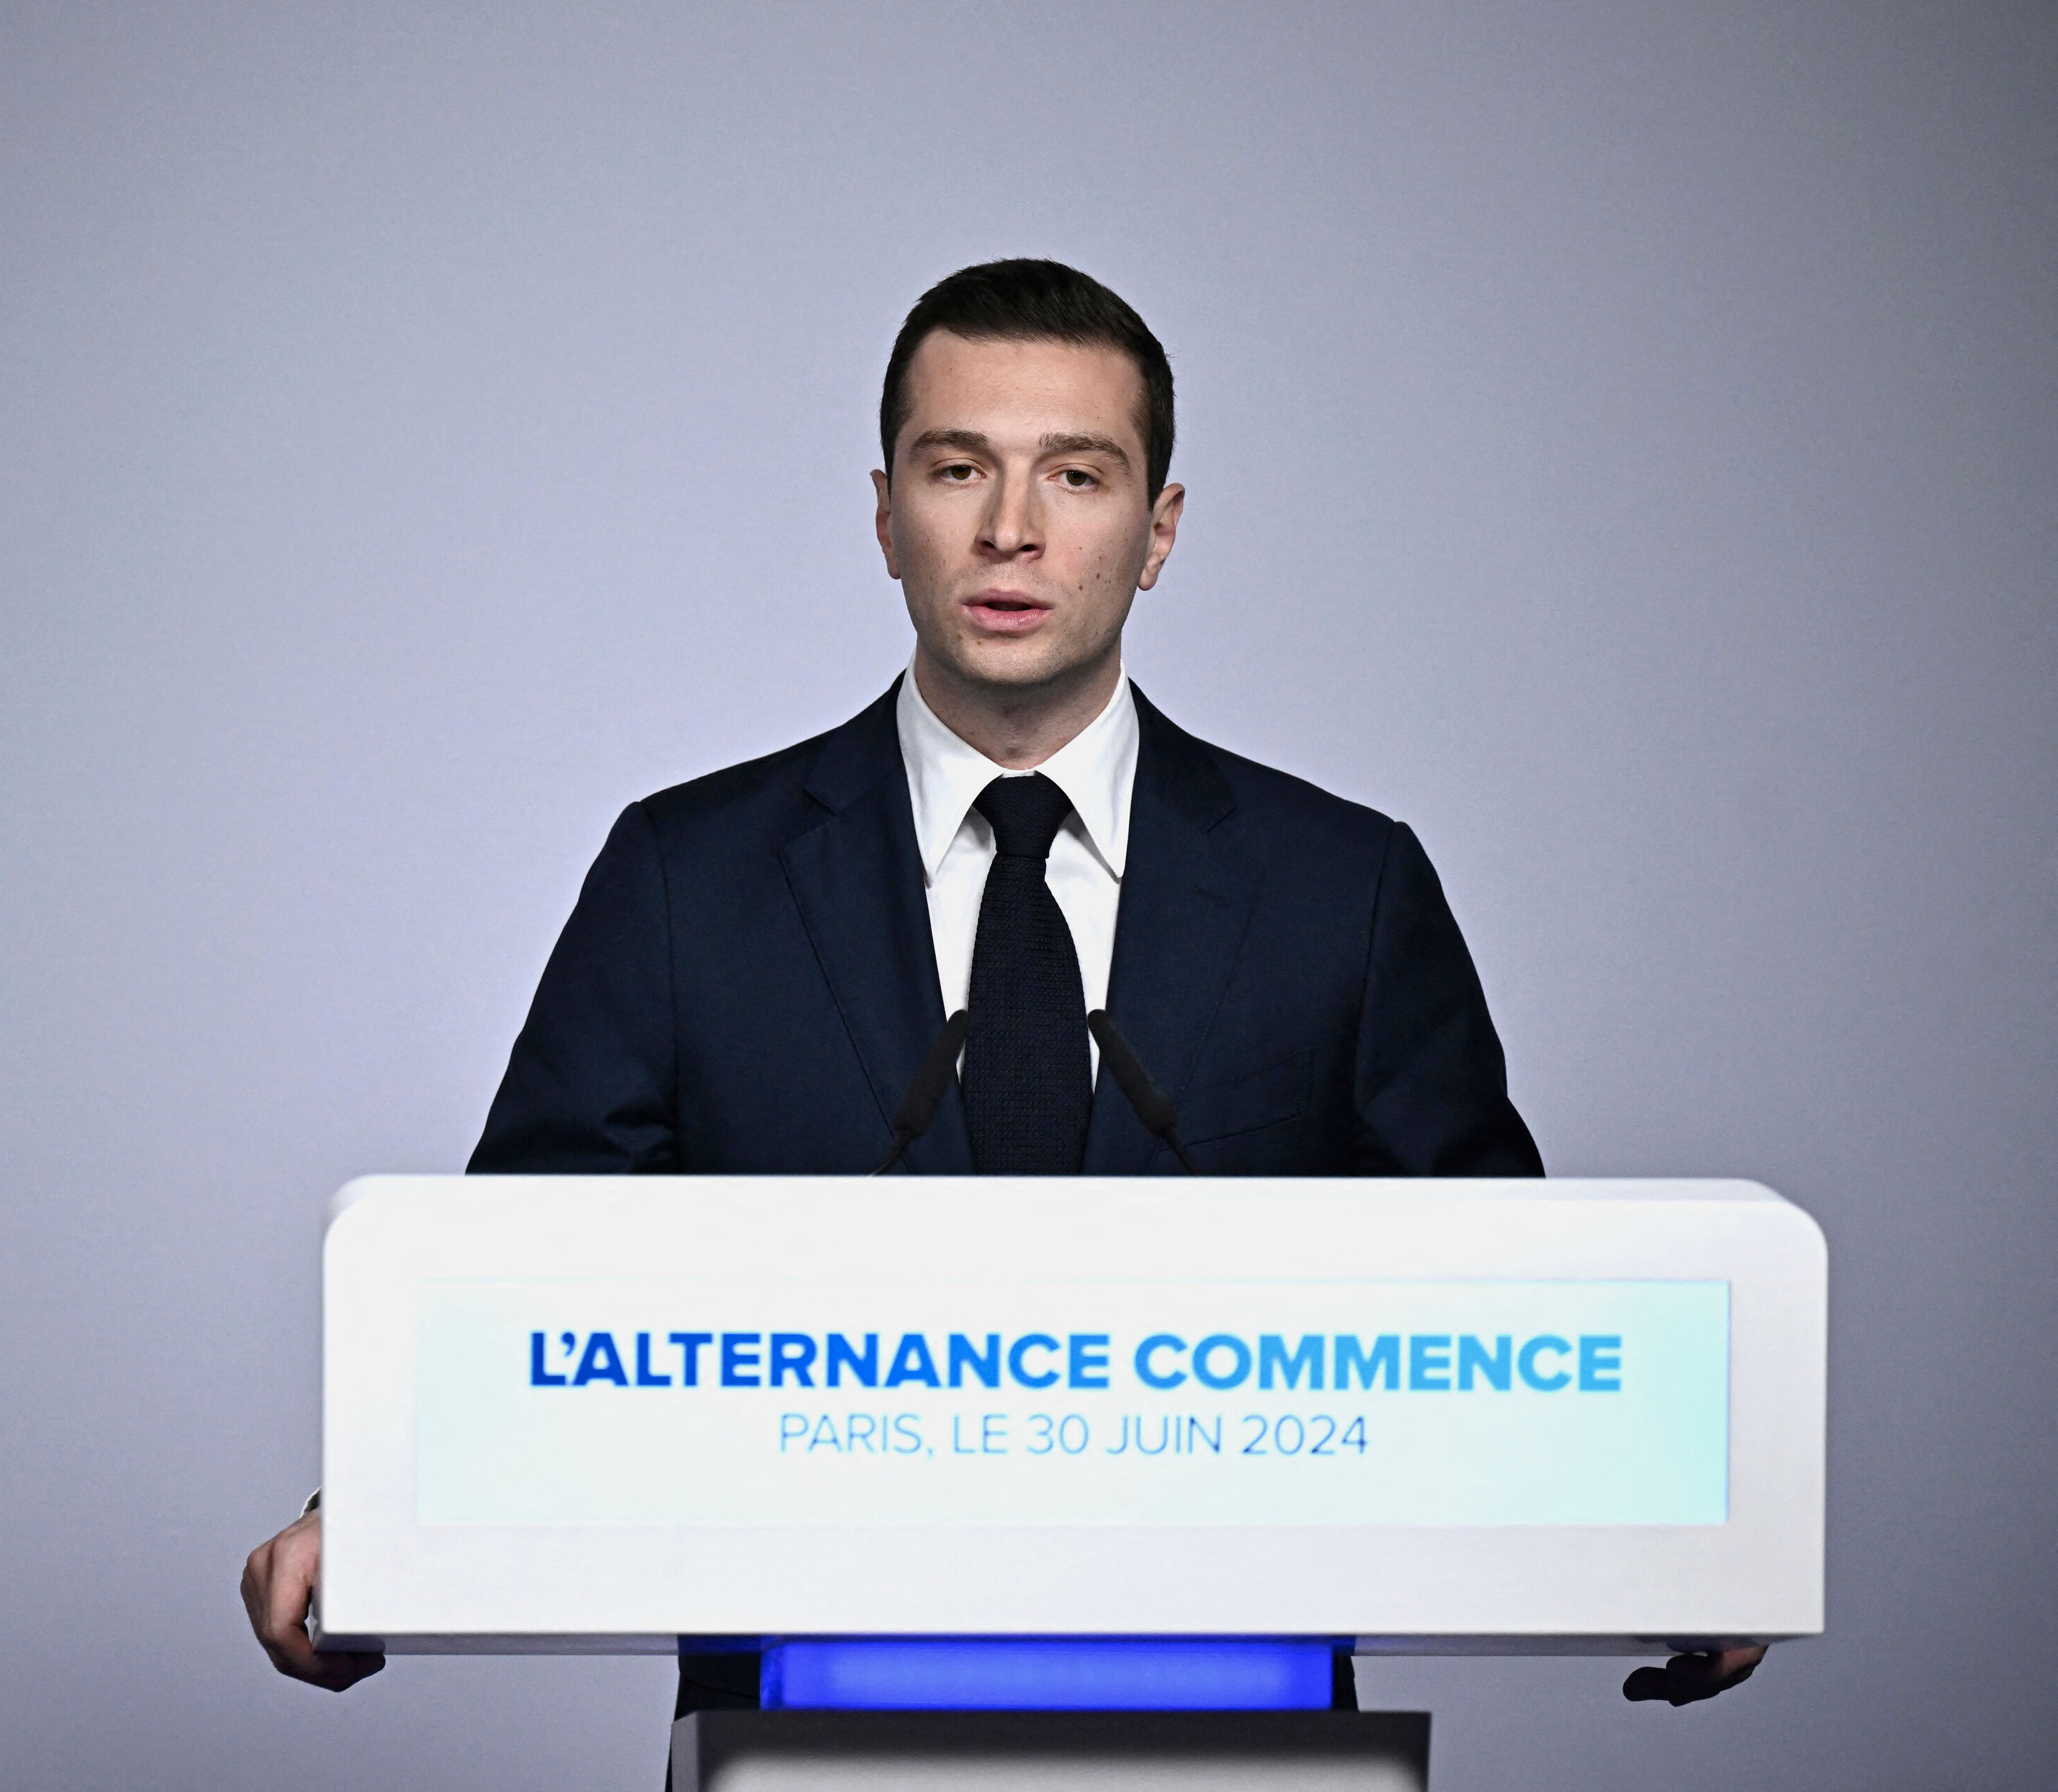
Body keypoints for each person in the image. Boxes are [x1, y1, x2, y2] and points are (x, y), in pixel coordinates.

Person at [240, 258, 1764, 1712]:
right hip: (809, 1729)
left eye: (1077, 475)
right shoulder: (684, 878)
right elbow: (516, 1293)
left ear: (1159, 530)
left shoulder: (1344, 889)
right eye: (959, 468)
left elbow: (1505, 1325)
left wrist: (1678, 1540)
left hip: (1241, 1733)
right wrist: (364, 1510)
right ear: (886, 515)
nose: (1012, 530)